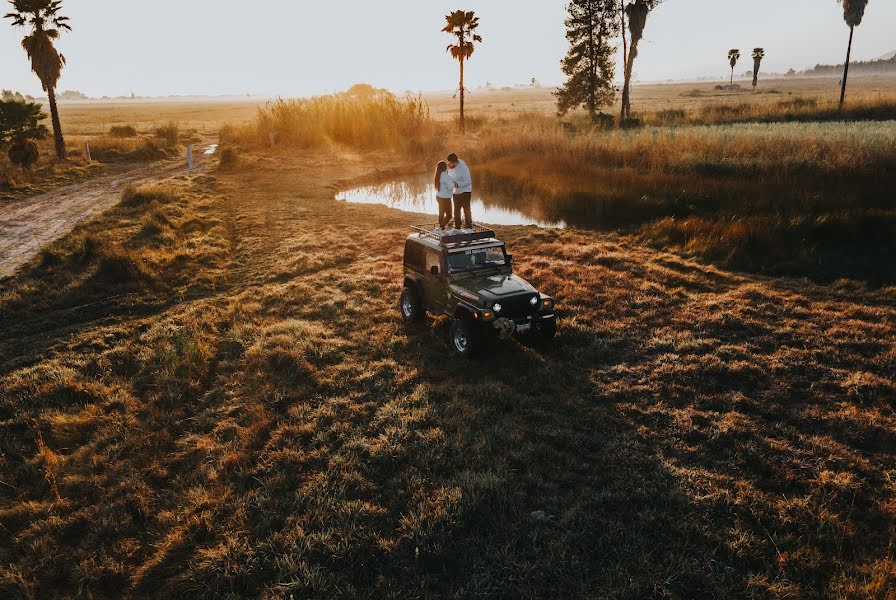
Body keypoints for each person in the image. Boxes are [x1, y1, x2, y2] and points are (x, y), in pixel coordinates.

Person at [446, 153, 473, 230]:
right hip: (456, 191)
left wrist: (458, 185)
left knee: (466, 210)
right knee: (456, 210)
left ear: (454, 162)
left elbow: (469, 181)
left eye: (450, 162)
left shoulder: (464, 168)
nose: (448, 164)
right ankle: (457, 227)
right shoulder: (450, 168)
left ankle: (468, 227)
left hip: (465, 191)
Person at [433, 161, 453, 231]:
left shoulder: (438, 174)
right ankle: (440, 227)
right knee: (449, 215)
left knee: (441, 213)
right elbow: (450, 187)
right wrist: (454, 183)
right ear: (445, 167)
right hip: (445, 198)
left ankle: (441, 229)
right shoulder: (445, 175)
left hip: (439, 197)